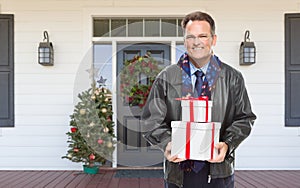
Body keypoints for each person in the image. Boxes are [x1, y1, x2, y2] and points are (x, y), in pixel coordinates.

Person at [141, 11, 256, 188]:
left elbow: (244, 118)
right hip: (178, 170)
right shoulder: (166, 77)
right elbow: (151, 120)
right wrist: (167, 144)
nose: (196, 42)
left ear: (213, 39)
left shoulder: (233, 77)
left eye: (203, 36)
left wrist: (227, 144)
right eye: (191, 37)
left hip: (219, 169)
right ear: (184, 40)